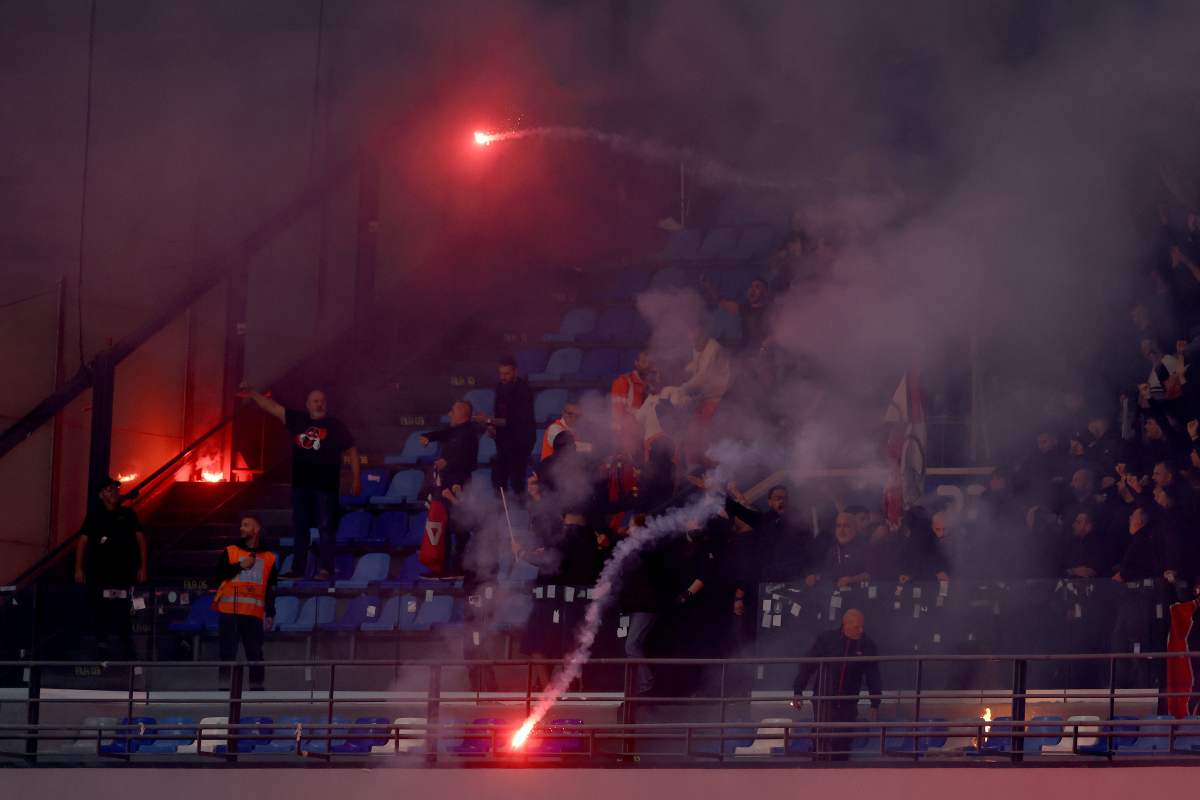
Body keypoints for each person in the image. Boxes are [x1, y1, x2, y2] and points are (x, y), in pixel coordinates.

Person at [244, 387, 359, 580]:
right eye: (315, 401)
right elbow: (273, 408)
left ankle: (326, 569)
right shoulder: (298, 420)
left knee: (325, 528)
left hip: (326, 486)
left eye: (322, 401)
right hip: (301, 486)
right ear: (308, 405)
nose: (319, 404)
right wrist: (253, 394)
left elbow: (352, 451)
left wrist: (356, 479)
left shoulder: (335, 425)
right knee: (300, 528)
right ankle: (298, 570)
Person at [792, 608, 882, 761]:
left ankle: (841, 768)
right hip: (825, 698)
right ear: (846, 624)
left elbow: (873, 675)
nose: (861, 630)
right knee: (822, 737)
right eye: (857, 627)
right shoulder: (827, 639)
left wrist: (875, 702)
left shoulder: (867, 645)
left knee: (844, 740)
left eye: (862, 626)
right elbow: (808, 665)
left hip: (849, 701)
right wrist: (798, 691)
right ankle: (819, 766)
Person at [74, 477, 148, 659]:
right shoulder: (94, 516)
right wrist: (78, 568)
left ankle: (126, 643)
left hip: (124, 570)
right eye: (109, 489)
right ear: (101, 495)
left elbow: (140, 539)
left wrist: (143, 566)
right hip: (100, 571)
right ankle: (102, 643)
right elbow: (83, 541)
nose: (114, 492)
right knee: (101, 607)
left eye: (115, 488)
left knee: (124, 606)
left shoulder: (128, 514)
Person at [214, 515, 277, 691]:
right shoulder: (231, 551)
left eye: (246, 525)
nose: (241, 528)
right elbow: (218, 575)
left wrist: (271, 612)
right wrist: (240, 566)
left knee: (255, 654)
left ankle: (257, 689)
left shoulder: (269, 557)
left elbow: (271, 587)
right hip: (230, 612)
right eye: (241, 525)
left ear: (256, 529)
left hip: (253, 614)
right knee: (227, 653)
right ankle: (224, 690)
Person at [481, 356, 536, 497]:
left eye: (507, 374)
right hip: (503, 440)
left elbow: (513, 420)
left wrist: (489, 420)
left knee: (517, 480)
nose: (503, 377)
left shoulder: (524, 390)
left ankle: (521, 506)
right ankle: (502, 506)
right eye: (501, 374)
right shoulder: (500, 387)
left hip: (521, 441)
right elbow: (499, 412)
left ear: (515, 372)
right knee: (499, 478)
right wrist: (492, 427)